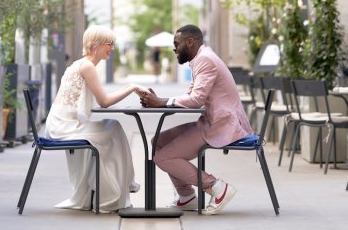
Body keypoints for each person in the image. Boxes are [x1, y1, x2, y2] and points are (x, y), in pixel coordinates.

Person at [139, 24, 252, 215]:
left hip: (222, 125)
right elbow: (192, 95)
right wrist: (160, 101)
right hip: (211, 121)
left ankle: (216, 187)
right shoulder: (200, 58)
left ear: (190, 42)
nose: (174, 49)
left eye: (177, 44)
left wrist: (162, 102)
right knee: (157, 141)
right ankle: (187, 197)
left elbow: (196, 100)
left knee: (163, 157)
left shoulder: (205, 60)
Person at [45, 24, 147, 213]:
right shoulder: (87, 67)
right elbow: (105, 102)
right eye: (109, 44)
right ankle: (116, 189)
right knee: (113, 128)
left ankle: (113, 187)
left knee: (113, 128)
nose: (112, 48)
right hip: (65, 126)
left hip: (61, 122)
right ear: (96, 45)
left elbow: (96, 103)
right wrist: (132, 87)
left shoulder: (80, 64)